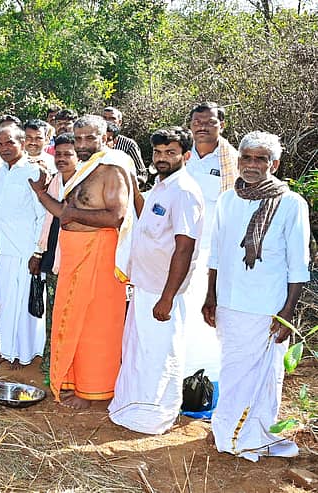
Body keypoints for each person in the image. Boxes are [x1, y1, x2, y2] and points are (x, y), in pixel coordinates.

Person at [203, 131, 310, 462]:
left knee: (264, 375)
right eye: (246, 157)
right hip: (229, 303)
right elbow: (216, 253)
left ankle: (250, 438)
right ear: (238, 161)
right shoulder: (227, 200)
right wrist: (210, 296)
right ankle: (229, 430)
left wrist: (287, 314)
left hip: (267, 307)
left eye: (260, 159)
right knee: (232, 372)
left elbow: (298, 264)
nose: (251, 164)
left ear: (273, 164)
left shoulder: (291, 203)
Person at [29, 115, 135, 409]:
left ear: (106, 138)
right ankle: (75, 382)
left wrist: (74, 215)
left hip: (98, 254)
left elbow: (116, 216)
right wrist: (40, 192)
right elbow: (63, 212)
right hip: (74, 255)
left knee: (94, 325)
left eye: (91, 137)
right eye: (79, 138)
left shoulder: (112, 169)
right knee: (72, 319)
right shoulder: (83, 170)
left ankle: (93, 391)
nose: (84, 143)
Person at [109, 127, 204, 434]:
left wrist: (167, 297)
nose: (162, 158)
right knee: (140, 351)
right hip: (145, 286)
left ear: (185, 156)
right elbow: (145, 217)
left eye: (170, 153)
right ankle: (133, 408)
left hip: (164, 292)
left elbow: (184, 247)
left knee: (162, 355)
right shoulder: (162, 186)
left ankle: (156, 417)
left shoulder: (185, 191)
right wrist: (131, 182)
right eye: (158, 152)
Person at [183, 102, 240, 380]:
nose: (202, 127)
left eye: (210, 122)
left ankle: (210, 379)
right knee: (182, 315)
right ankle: (183, 376)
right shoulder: (181, 155)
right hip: (181, 250)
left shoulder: (234, 162)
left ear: (222, 125)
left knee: (210, 315)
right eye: (197, 122)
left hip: (215, 253)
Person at [0, 126, 47, 367]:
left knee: (25, 307)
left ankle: (25, 354)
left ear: (22, 144)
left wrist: (38, 252)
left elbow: (42, 215)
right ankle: (8, 351)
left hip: (26, 252)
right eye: (0, 144)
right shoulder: (1, 172)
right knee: (7, 303)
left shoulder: (34, 172)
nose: (4, 148)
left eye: (9, 143)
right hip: (5, 251)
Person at [32, 133, 79, 378]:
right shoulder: (54, 181)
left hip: (75, 258)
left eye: (67, 154)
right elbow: (48, 221)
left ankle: (70, 368)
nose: (61, 159)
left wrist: (41, 193)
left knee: (71, 315)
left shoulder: (84, 182)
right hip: (53, 256)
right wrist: (38, 252)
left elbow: (64, 214)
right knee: (53, 312)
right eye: (58, 154)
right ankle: (52, 364)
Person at [102, 106, 146, 180]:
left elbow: (141, 173)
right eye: (104, 118)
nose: (107, 121)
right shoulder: (92, 143)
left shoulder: (129, 145)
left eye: (112, 118)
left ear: (119, 122)